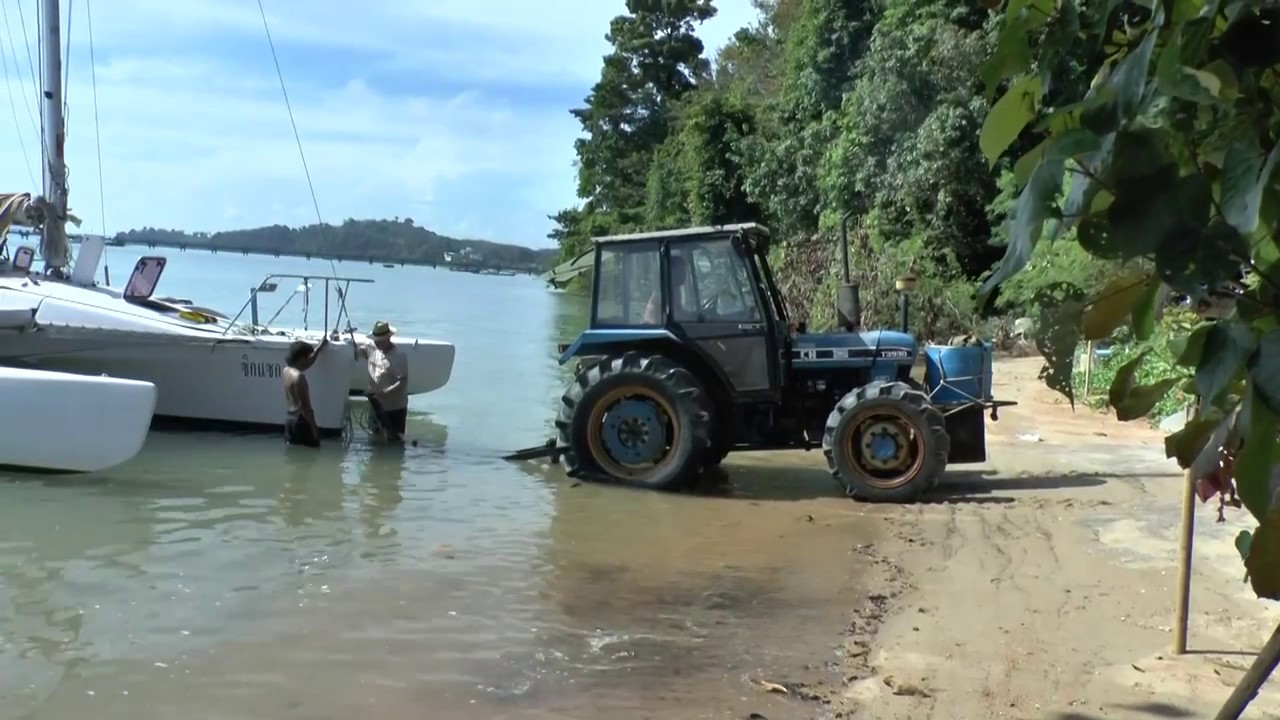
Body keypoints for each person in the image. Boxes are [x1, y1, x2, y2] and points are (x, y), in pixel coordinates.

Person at [360, 320, 409, 442]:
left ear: (387, 339)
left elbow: (402, 382)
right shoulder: (372, 348)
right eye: (375, 339)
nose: (376, 342)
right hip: (376, 404)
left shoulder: (399, 357)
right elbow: (361, 350)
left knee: (395, 441)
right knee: (374, 440)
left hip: (394, 408)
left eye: (379, 339)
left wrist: (385, 393)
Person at [283, 334, 329, 447]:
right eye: (307, 357)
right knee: (311, 459)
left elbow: (307, 363)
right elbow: (306, 408)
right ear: (302, 358)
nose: (309, 359)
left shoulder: (286, 371)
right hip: (302, 422)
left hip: (290, 420)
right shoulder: (299, 377)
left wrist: (319, 348)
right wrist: (314, 429)